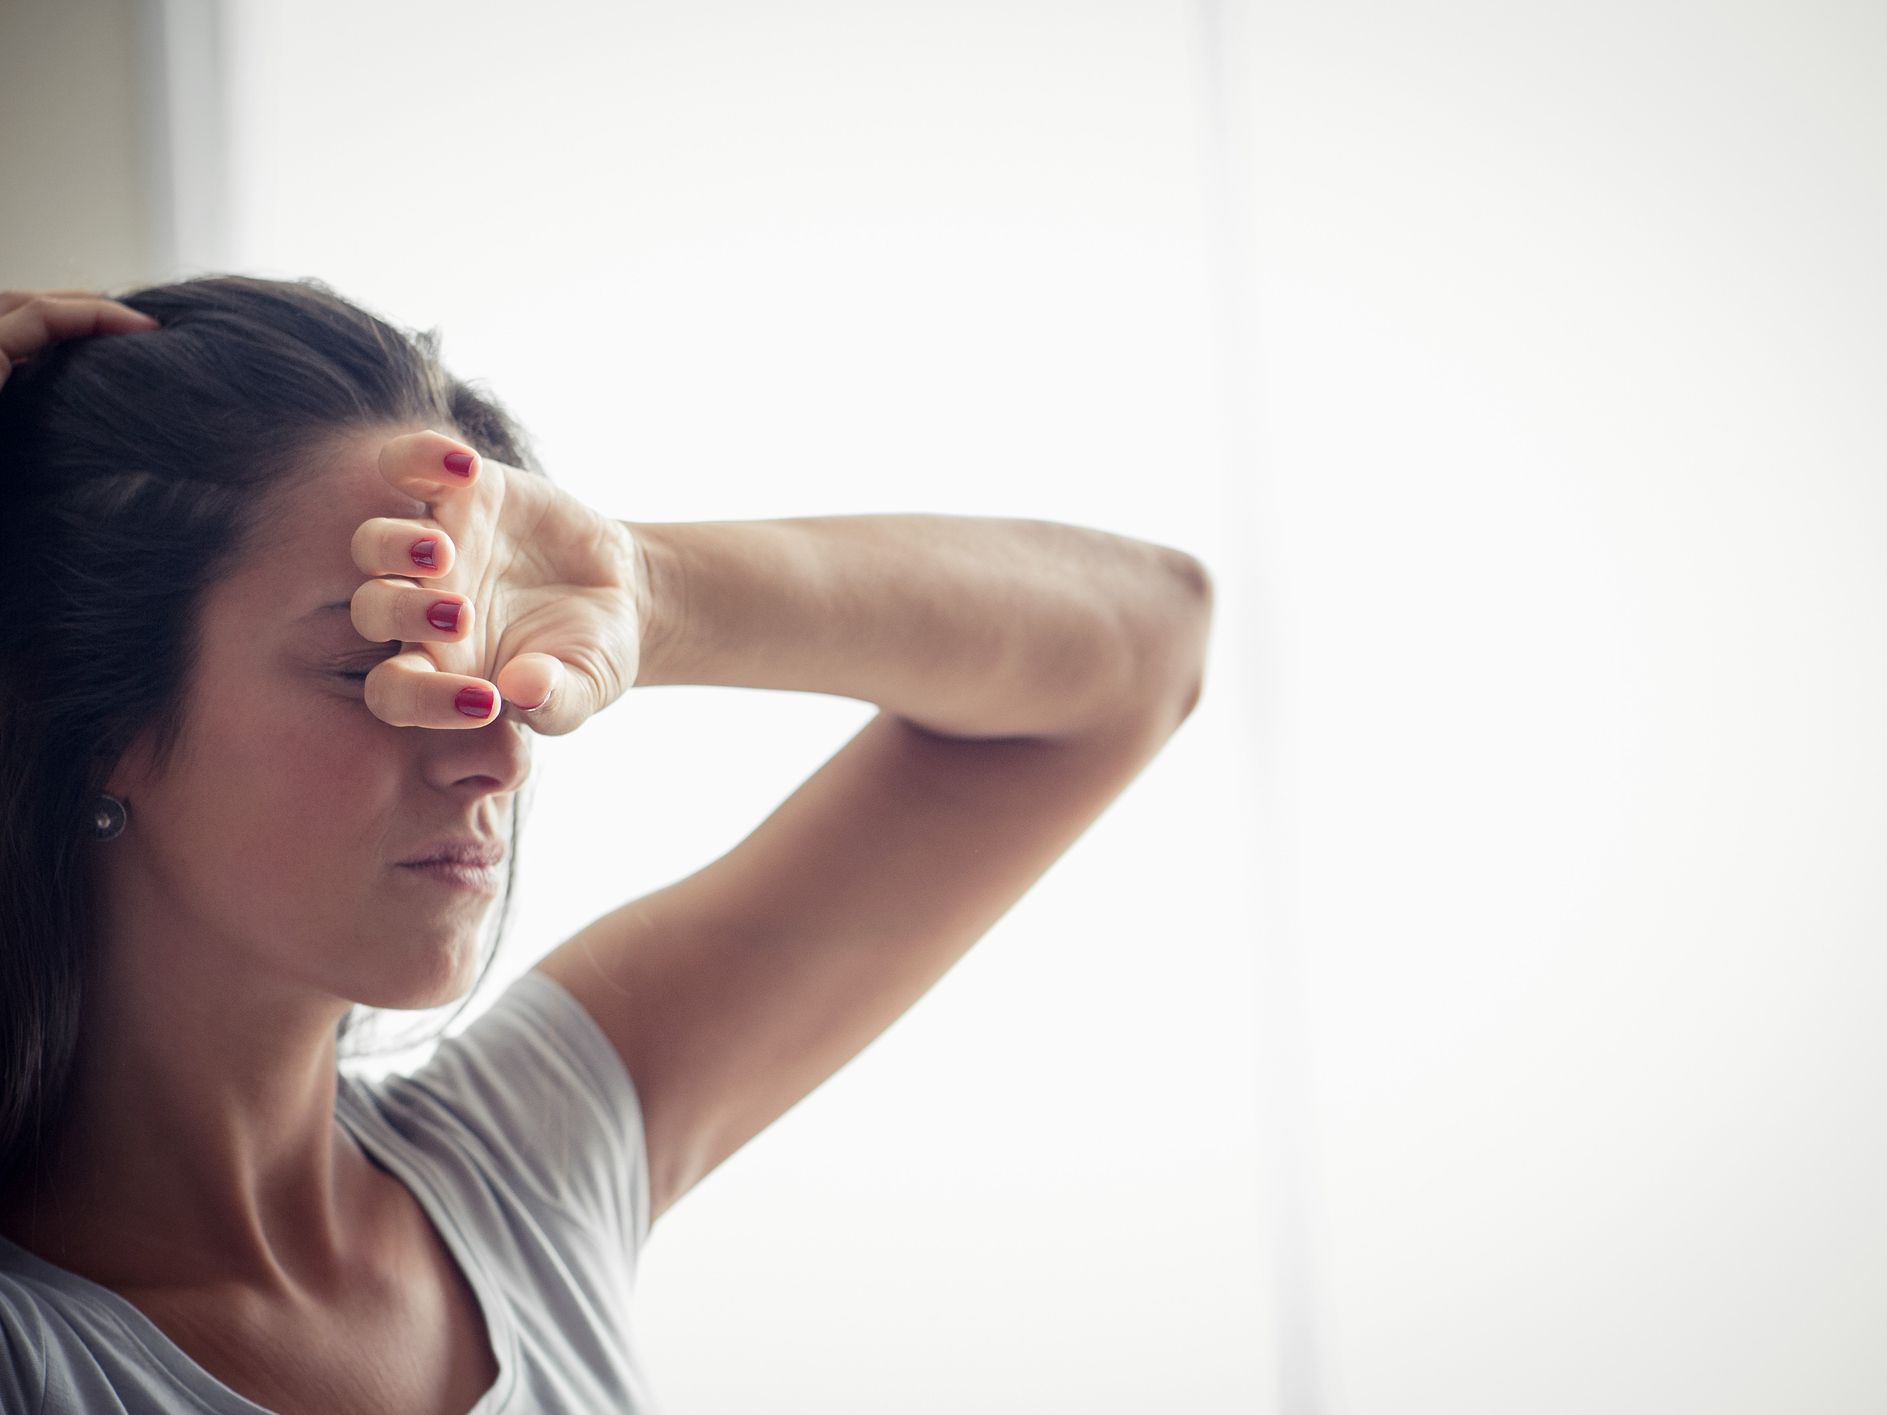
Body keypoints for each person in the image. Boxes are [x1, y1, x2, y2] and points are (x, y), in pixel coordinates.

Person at [0, 277, 1212, 1413]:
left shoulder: (523, 1163)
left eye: (491, 653)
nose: (497, 750)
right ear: (84, 706)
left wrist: (642, 586)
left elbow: (1152, 642)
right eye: (375, 664)